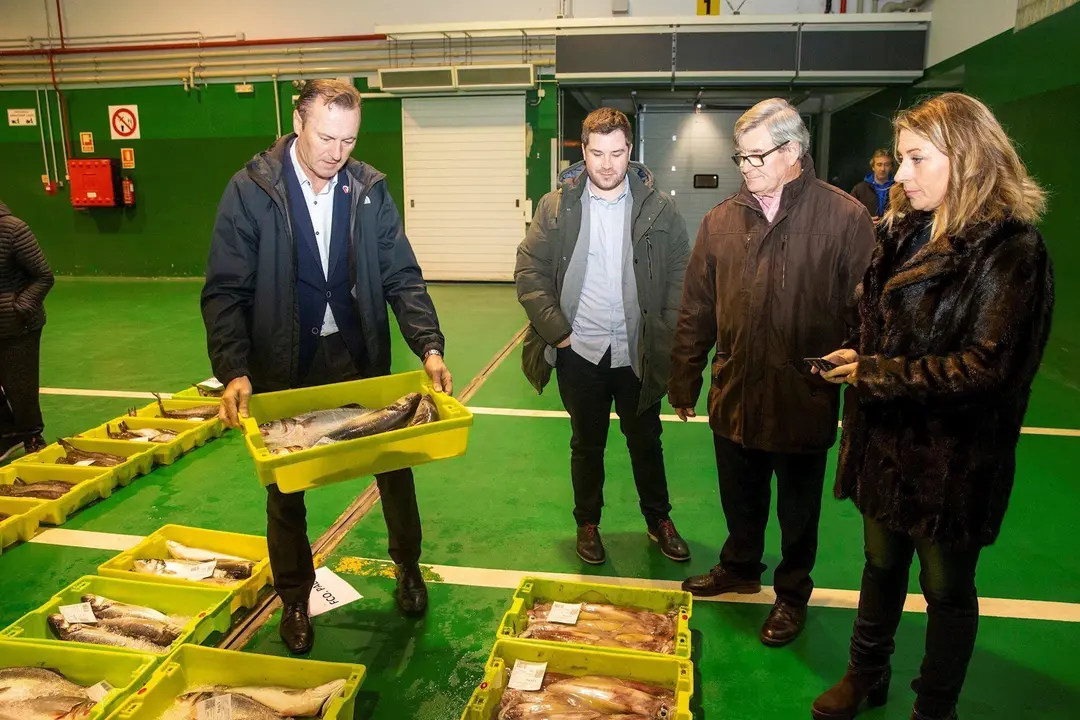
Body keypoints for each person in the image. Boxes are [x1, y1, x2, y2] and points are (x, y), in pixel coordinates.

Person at [811, 93, 1054, 720]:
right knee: (879, 566)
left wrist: (875, 371)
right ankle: (867, 673)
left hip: (952, 460)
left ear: (967, 158)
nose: (900, 174)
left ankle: (935, 706)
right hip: (884, 445)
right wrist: (857, 354)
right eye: (899, 159)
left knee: (946, 590)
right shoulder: (903, 231)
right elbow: (883, 326)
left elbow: (987, 368)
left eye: (917, 159)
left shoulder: (1010, 250)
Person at [201, 79, 452, 656]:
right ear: (298, 121)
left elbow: (401, 275)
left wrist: (428, 345)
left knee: (394, 462)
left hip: (357, 351)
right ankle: (295, 596)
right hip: (284, 357)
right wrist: (235, 368)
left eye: (349, 139)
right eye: (326, 136)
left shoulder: (367, 190)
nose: (337, 152)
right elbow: (225, 290)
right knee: (285, 483)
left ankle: (408, 568)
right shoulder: (252, 191)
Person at [668, 98, 875, 647]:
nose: (748, 167)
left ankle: (791, 592)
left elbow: (871, 313)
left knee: (797, 508)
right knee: (740, 493)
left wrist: (857, 361)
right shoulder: (721, 220)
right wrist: (685, 378)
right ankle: (739, 565)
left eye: (758, 156)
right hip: (735, 389)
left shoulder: (845, 218)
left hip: (802, 393)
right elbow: (697, 308)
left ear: (794, 152)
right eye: (742, 157)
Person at [515, 107, 692, 566]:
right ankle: (587, 523)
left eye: (617, 153)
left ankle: (658, 521)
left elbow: (679, 278)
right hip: (580, 350)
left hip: (636, 351)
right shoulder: (555, 207)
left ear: (630, 151)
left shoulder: (660, 208)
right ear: (583, 151)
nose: (608, 164)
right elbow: (529, 271)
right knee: (586, 444)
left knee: (646, 441)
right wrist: (557, 332)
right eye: (597, 153)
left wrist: (665, 339)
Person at [0, 200, 53, 463]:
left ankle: (32, 436)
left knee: (20, 386)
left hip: (18, 326)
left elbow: (43, 276)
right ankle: (7, 433)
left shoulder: (13, 229)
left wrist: (20, 307)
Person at [851, 148, 896, 220]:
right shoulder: (859, 189)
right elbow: (850, 213)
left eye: (887, 165)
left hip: (892, 230)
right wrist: (865, 221)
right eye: (879, 164)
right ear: (873, 167)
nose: (882, 169)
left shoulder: (898, 188)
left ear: (891, 167)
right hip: (866, 230)